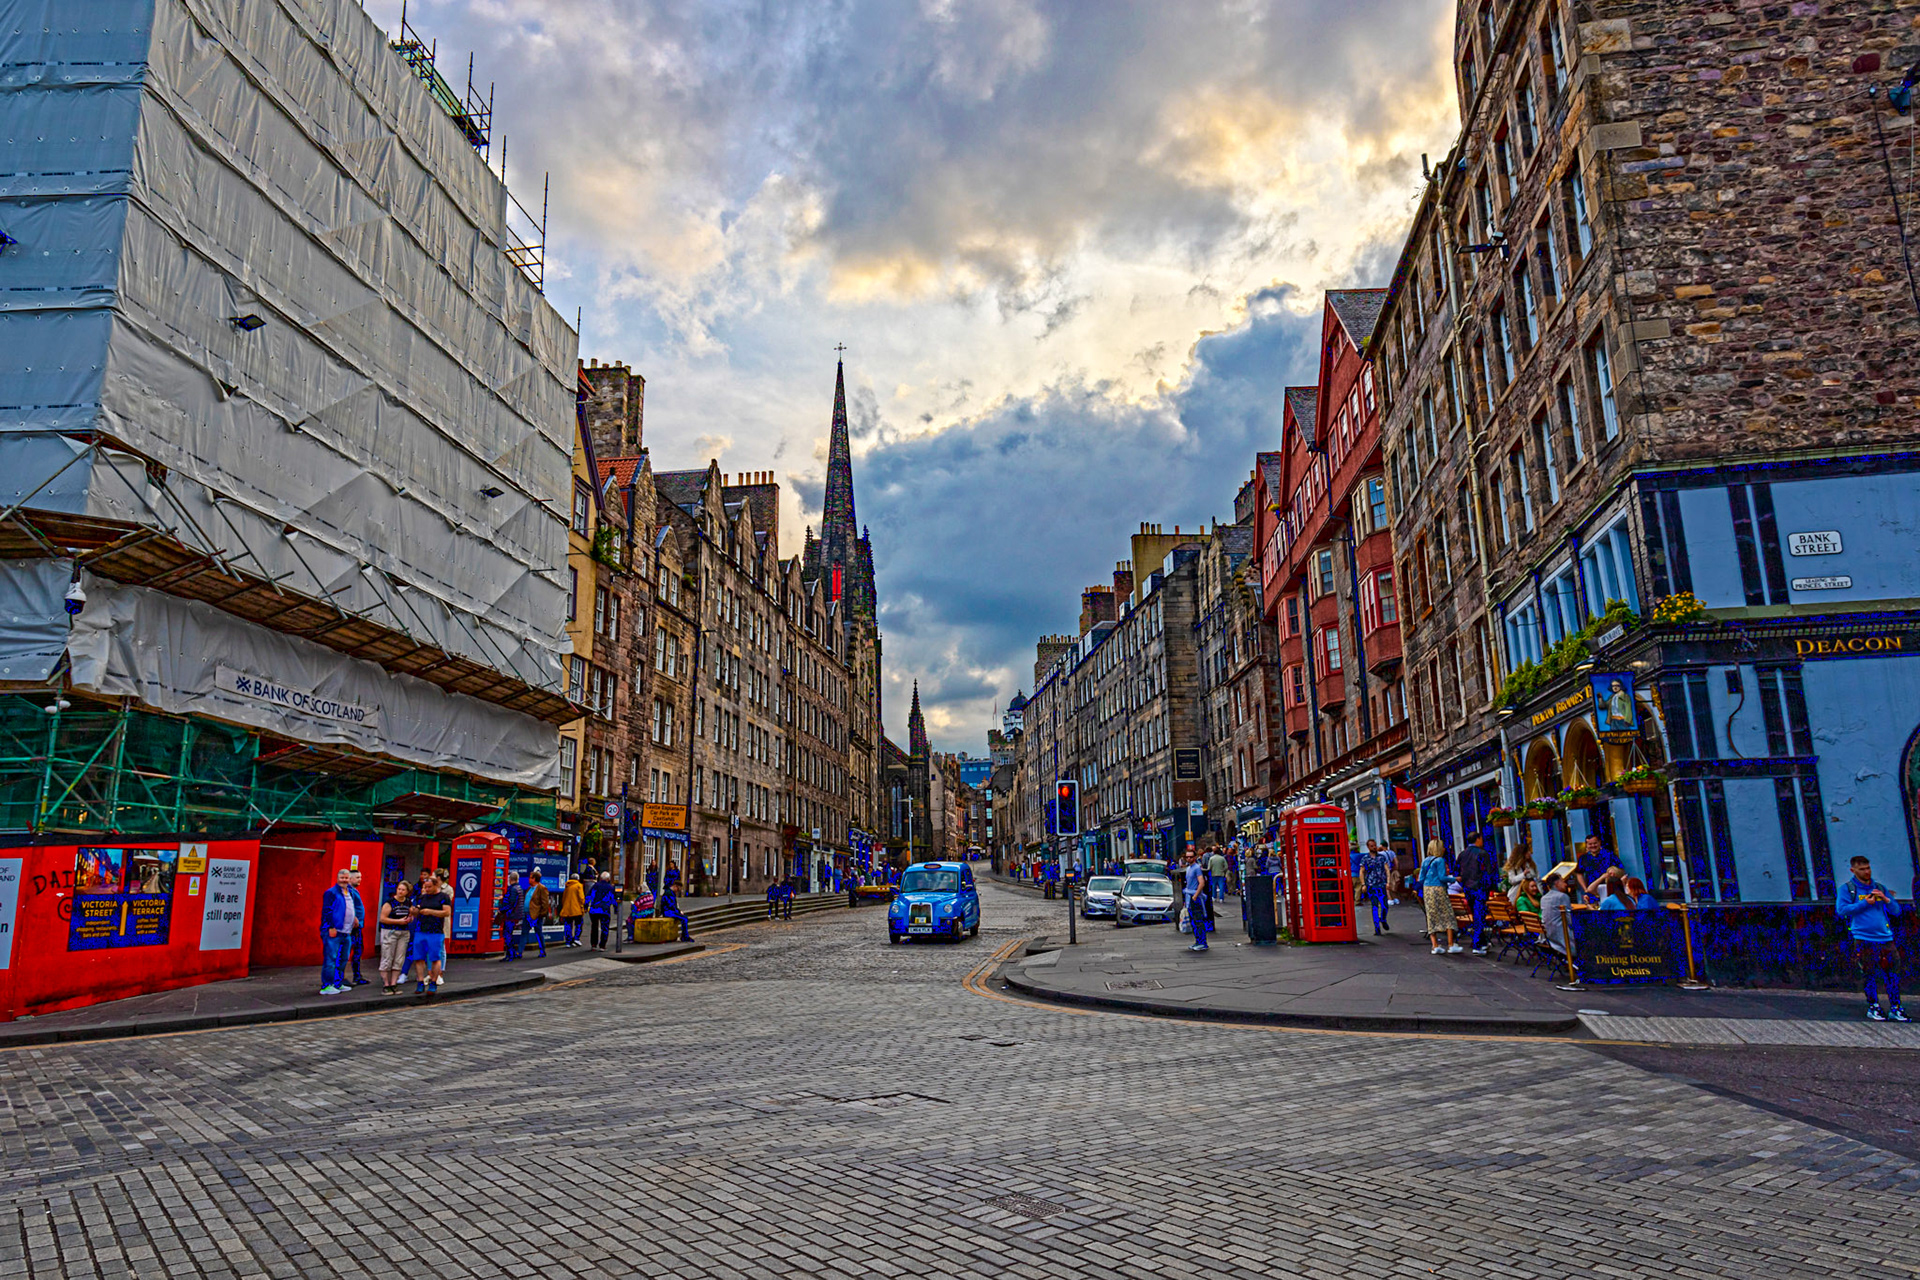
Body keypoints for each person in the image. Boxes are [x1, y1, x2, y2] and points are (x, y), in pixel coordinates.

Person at [1838, 855, 1909, 1022]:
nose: (1866, 872)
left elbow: (1896, 910)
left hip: (1885, 937)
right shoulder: (1848, 889)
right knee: (1869, 973)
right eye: (1862, 869)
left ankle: (1896, 1007)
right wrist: (1865, 903)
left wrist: (1885, 899)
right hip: (1863, 937)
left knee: (1892, 973)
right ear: (1853, 870)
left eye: (1868, 868)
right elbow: (1842, 910)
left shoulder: (1879, 887)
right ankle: (1873, 1006)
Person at [410, 870, 451, 994]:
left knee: (435, 957)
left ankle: (434, 981)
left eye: (429, 887)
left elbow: (447, 912)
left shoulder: (443, 897)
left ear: (436, 885)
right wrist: (414, 911)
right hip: (421, 930)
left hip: (436, 931)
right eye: (425, 887)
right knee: (419, 958)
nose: (426, 889)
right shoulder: (421, 898)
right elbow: (416, 909)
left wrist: (430, 912)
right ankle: (420, 982)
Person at [319, 868, 358, 995]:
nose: (344, 880)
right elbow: (327, 911)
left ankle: (338, 983)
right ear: (337, 879)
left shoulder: (351, 892)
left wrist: (355, 918)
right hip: (334, 931)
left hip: (347, 931)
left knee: (343, 958)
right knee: (331, 958)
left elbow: (351, 907)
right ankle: (326, 985)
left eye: (346, 878)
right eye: (342, 878)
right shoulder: (331, 893)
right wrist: (331, 927)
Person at [1420, 839, 1461, 955]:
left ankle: (1435, 945)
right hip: (1439, 889)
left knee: (1431, 915)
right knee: (1447, 914)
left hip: (1427, 889)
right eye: (1442, 847)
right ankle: (1451, 944)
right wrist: (1454, 879)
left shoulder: (1425, 861)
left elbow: (1421, 878)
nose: (1444, 849)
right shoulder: (1440, 860)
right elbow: (1442, 877)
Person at [1457, 837, 1496, 955]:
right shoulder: (1482, 853)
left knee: (1476, 915)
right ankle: (1477, 944)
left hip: (1468, 888)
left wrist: (1463, 884)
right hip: (1480, 888)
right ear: (1478, 839)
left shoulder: (1462, 854)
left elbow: (1457, 871)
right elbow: (1488, 872)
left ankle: (1482, 942)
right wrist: (1489, 886)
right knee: (1480, 915)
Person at [376, 880, 413, 994]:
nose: (400, 892)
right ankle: (386, 984)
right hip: (390, 931)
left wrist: (409, 919)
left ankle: (394, 983)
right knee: (387, 957)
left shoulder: (408, 903)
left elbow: (411, 915)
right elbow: (383, 918)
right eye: (399, 889)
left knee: (399, 958)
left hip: (404, 932)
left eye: (403, 890)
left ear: (407, 892)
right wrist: (398, 921)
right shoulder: (389, 903)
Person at [1538, 871, 1574, 963]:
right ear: (1557, 883)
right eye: (1563, 881)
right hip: (1562, 937)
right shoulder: (1562, 896)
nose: (1565, 884)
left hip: (1547, 936)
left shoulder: (1544, 898)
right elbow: (1570, 920)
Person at [1360, 840, 1393, 935]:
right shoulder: (1365, 858)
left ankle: (1383, 919)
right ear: (1368, 847)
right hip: (1371, 885)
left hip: (1381, 884)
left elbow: (1387, 869)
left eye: (1375, 845)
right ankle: (1377, 928)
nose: (1374, 847)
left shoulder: (1382, 857)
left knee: (1384, 906)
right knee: (1374, 906)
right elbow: (1361, 871)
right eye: (1371, 846)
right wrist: (1363, 884)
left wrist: (1388, 882)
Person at [495, 873, 524, 962]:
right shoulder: (519, 888)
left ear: (510, 879)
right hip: (517, 915)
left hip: (511, 916)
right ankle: (512, 953)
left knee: (507, 934)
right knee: (509, 934)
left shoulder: (513, 889)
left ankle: (510, 954)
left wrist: (502, 910)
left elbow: (511, 903)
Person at [523, 869, 551, 959]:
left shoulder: (542, 888)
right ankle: (519, 952)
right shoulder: (529, 888)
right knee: (524, 932)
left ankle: (542, 950)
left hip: (536, 915)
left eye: (530, 878)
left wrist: (541, 914)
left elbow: (545, 903)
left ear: (534, 879)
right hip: (527, 914)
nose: (529, 879)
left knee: (538, 933)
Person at [659, 870, 693, 942]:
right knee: (684, 919)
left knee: (684, 918)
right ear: (675, 886)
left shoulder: (671, 893)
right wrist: (678, 911)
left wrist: (678, 910)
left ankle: (685, 935)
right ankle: (684, 936)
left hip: (670, 910)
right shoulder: (668, 893)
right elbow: (671, 905)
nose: (677, 891)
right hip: (667, 912)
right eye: (678, 889)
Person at [586, 871, 617, 948]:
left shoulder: (595, 886)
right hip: (604, 910)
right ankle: (602, 945)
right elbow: (613, 899)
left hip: (594, 909)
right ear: (608, 879)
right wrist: (615, 909)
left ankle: (593, 944)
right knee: (605, 927)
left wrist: (586, 906)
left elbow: (589, 896)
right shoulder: (610, 887)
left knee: (594, 927)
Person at [559, 873, 586, 946]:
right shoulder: (579, 886)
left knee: (568, 925)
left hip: (567, 909)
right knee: (579, 924)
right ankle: (576, 939)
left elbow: (563, 898)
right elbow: (581, 898)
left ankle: (568, 941)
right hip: (576, 909)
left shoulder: (567, 886)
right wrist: (583, 906)